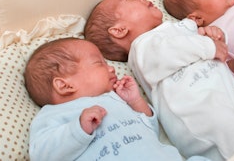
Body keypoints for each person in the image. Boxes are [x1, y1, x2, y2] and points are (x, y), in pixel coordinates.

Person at [84, 0, 234, 161]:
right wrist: (208, 46)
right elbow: (170, 52)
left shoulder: (174, 29)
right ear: (119, 30)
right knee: (228, 130)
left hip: (230, 93)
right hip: (200, 113)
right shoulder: (141, 49)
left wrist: (213, 36)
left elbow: (210, 51)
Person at [23, 37, 208, 161]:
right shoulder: (53, 115)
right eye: (99, 63)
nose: (111, 68)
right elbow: (43, 154)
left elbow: (151, 132)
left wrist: (136, 102)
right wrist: (78, 129)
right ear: (65, 85)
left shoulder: (115, 99)